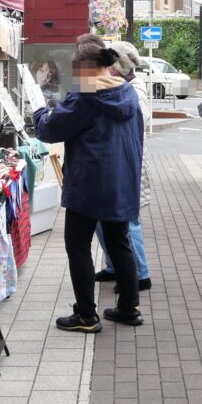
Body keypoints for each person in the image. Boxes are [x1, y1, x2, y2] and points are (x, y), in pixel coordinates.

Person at [33, 34, 145, 331]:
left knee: (78, 246)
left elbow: (51, 130)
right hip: (121, 180)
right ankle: (129, 308)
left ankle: (86, 315)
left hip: (89, 183)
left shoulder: (85, 95)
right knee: (119, 243)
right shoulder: (127, 91)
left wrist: (40, 112)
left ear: (82, 67)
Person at [93, 42, 153, 291]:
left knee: (127, 220)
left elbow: (132, 121)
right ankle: (114, 266)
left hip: (127, 164)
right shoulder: (119, 86)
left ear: (116, 68)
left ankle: (140, 274)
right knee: (101, 218)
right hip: (114, 163)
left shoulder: (134, 91)